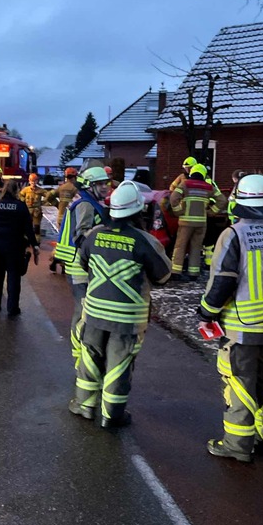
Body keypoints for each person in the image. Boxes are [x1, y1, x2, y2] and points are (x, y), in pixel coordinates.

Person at [198, 173, 263, 462]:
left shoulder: (234, 234)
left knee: (239, 385)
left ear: (240, 202)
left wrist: (206, 313)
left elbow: (223, 281)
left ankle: (237, 446)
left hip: (241, 329)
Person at [70, 181, 172, 427]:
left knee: (90, 357)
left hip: (94, 311)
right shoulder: (144, 240)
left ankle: (85, 405)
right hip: (127, 317)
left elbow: (83, 264)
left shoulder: (94, 235)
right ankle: (111, 415)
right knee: (119, 363)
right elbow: (163, 276)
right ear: (138, 210)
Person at [54, 166, 110, 367]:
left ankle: (83, 354)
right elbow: (82, 236)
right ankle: (79, 357)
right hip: (79, 266)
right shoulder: (86, 205)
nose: (105, 187)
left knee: (86, 311)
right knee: (83, 312)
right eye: (100, 184)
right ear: (89, 186)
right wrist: (105, 231)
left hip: (83, 264)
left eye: (105, 183)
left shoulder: (90, 202)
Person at [0, 180, 39, 317]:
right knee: (14, 277)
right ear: (16, 191)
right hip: (14, 246)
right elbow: (28, 228)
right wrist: (34, 244)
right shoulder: (20, 206)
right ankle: (12, 308)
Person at [169, 163, 226, 281]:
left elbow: (173, 198)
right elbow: (222, 200)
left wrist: (178, 211)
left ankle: (176, 272)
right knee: (196, 247)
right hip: (201, 223)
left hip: (185, 222)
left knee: (180, 246)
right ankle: (193, 273)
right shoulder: (209, 187)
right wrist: (211, 212)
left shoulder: (185, 184)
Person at [48, 166, 79, 272]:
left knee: (61, 241)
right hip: (70, 219)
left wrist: (57, 205)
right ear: (75, 176)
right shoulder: (76, 189)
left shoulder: (61, 188)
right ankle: (62, 262)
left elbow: (48, 196)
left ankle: (56, 259)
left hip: (61, 218)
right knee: (68, 243)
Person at [20, 173, 50, 243]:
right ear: (29, 181)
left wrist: (44, 202)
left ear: (37, 181)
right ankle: (26, 240)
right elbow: (20, 195)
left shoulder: (40, 190)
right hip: (27, 210)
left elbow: (48, 195)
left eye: (35, 181)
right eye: (32, 181)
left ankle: (37, 240)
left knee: (37, 227)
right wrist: (23, 201)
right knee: (26, 226)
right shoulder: (26, 190)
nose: (33, 183)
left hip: (36, 211)